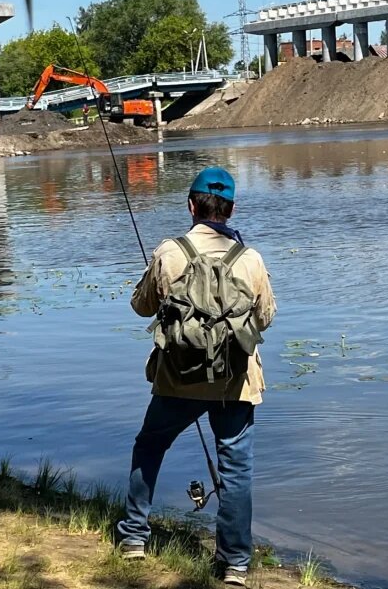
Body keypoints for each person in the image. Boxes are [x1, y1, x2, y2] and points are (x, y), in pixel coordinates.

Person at [117, 166, 277, 587]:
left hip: (177, 380)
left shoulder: (169, 252)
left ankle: (134, 538)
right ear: (232, 208)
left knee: (150, 446)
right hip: (235, 384)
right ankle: (235, 564)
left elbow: (141, 307)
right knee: (236, 469)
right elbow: (266, 318)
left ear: (191, 205)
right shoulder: (251, 258)